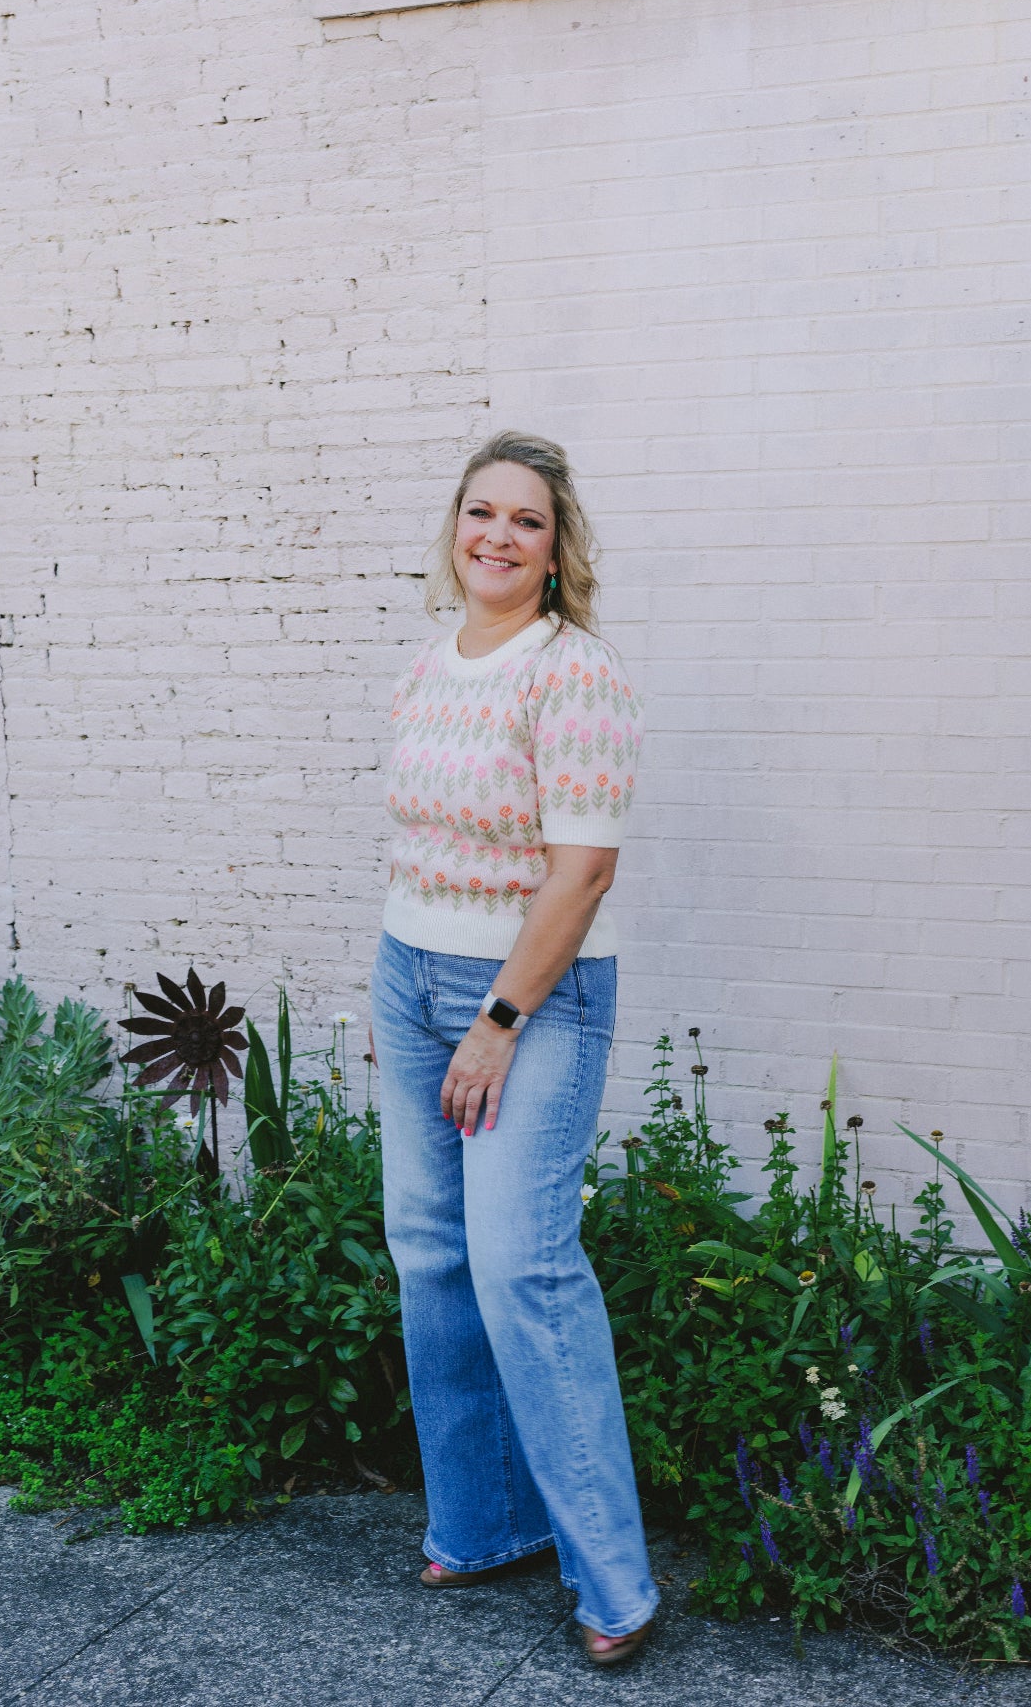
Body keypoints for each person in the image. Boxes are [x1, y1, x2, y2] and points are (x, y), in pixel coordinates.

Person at [368, 430, 658, 1667]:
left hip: (524, 999)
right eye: (479, 512)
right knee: (429, 1253)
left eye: (525, 521)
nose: (496, 534)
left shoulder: (574, 675)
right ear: (455, 530)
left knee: (520, 1271)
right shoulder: (435, 662)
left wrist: (497, 1022)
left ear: (556, 551)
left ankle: (618, 1583)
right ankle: (483, 1526)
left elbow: (582, 871)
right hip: (406, 975)